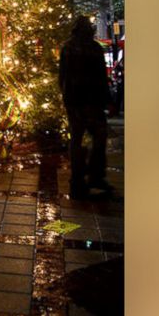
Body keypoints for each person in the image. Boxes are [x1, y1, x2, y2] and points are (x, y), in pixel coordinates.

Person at [58, 17, 113, 198]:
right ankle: (95, 175)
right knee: (99, 136)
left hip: (74, 100)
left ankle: (77, 180)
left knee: (77, 138)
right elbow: (100, 77)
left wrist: (66, 96)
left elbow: (63, 75)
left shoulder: (68, 48)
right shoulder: (94, 48)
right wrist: (106, 99)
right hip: (92, 100)